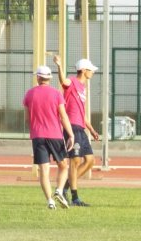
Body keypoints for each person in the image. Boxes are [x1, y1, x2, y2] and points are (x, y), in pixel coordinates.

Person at [23, 66, 73, 210]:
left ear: (38, 77)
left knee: (44, 170)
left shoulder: (29, 94)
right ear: (50, 78)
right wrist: (71, 134)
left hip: (38, 136)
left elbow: (27, 119)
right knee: (63, 166)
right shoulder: (57, 94)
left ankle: (50, 200)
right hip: (55, 135)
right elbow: (63, 116)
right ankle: (59, 190)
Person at [53, 55, 100, 207]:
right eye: (90, 70)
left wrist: (92, 130)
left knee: (90, 160)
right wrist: (59, 66)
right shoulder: (72, 81)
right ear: (84, 70)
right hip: (72, 127)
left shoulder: (83, 88)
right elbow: (63, 81)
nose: (92, 72)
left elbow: (82, 113)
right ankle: (74, 198)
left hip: (81, 127)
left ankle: (64, 188)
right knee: (75, 161)